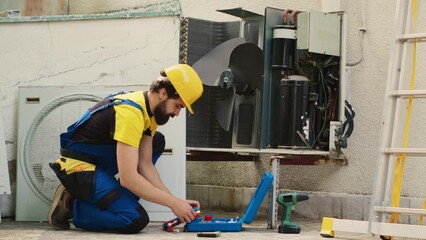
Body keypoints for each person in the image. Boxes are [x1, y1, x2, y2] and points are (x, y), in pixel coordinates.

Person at [47, 64, 204, 233]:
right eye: (178, 106)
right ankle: (74, 205)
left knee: (157, 142)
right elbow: (128, 179)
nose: (177, 113)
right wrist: (173, 203)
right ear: (163, 93)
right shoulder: (130, 113)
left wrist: (175, 200)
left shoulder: (148, 111)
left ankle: (106, 197)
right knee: (134, 219)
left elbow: (145, 164)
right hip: (80, 166)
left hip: (99, 161)